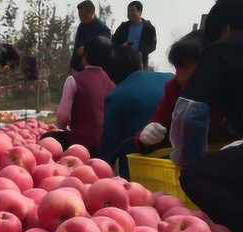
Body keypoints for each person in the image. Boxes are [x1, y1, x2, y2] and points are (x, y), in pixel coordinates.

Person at [163, 0, 243, 232]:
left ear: (225, 28)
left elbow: (190, 112)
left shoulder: (222, 48)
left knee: (195, 176)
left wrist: (188, 160)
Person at [135, 31, 237, 154]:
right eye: (177, 68)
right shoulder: (174, 88)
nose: (180, 76)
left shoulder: (233, 88)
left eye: (187, 68)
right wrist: (147, 136)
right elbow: (160, 120)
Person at [98, 45, 173, 179]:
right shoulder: (170, 79)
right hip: (180, 162)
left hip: (142, 172)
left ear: (109, 75)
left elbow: (108, 148)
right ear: (140, 64)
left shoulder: (116, 96)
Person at [41, 36, 115, 156]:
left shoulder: (74, 80)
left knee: (47, 138)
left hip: (79, 143)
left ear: (85, 56)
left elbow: (63, 117)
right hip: (103, 146)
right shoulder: (112, 84)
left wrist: (61, 127)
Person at [111, 1, 157, 69]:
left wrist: (141, 53)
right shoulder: (123, 27)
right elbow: (113, 41)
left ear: (140, 12)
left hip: (140, 62)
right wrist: (122, 47)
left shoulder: (148, 27)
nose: (130, 13)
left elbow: (152, 45)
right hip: (123, 61)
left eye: (132, 11)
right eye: (128, 11)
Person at [69, 0, 112, 73]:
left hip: (95, 69)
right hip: (80, 67)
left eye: (84, 15)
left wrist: (87, 48)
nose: (81, 17)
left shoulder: (102, 29)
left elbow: (105, 50)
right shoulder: (81, 26)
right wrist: (72, 65)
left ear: (92, 12)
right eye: (79, 14)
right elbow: (77, 46)